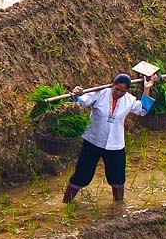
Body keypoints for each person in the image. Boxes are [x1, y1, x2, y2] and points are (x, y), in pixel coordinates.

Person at [62, 72, 156, 203]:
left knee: (117, 178)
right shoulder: (99, 93)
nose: (119, 93)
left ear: (127, 91)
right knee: (82, 175)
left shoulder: (129, 100)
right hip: (93, 141)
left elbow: (143, 110)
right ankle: (66, 203)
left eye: (123, 91)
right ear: (113, 85)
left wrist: (147, 88)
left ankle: (118, 208)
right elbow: (79, 102)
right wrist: (75, 94)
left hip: (115, 145)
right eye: (117, 89)